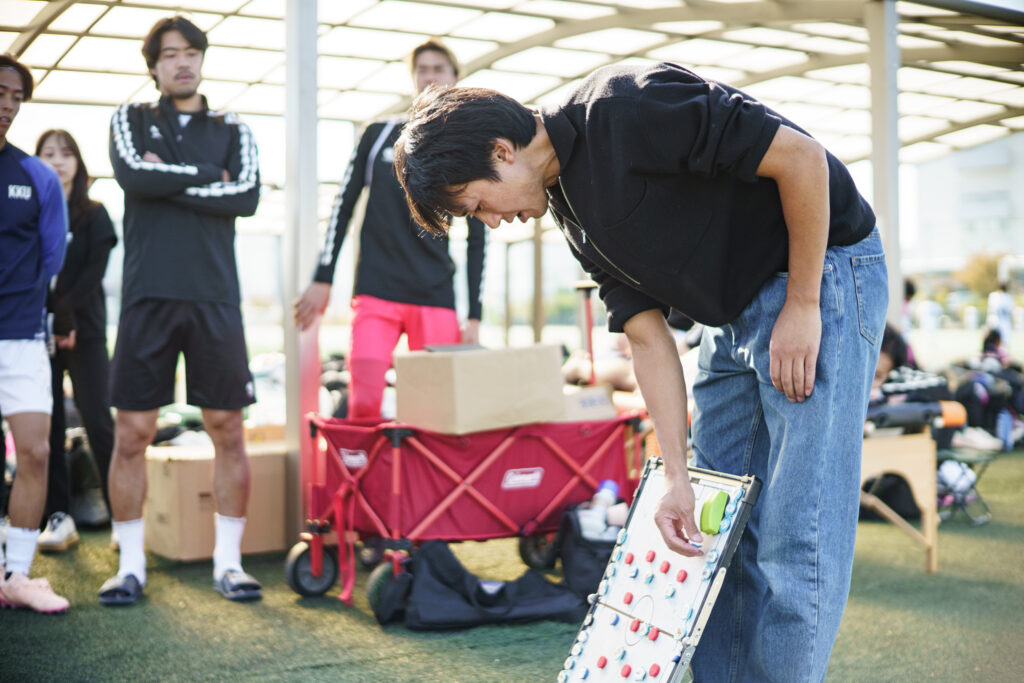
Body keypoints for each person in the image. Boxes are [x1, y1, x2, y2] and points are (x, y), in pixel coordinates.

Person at [393, 62, 889, 681]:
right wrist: (676, 478)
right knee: (718, 533)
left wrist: (803, 303)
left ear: (501, 151)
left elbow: (802, 158)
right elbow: (648, 339)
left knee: (798, 538)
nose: (492, 221)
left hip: (822, 275)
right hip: (731, 318)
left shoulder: (626, 106)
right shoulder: (570, 214)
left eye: (478, 205)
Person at [101, 16, 261, 606]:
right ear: (154, 66)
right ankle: (130, 567)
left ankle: (229, 564)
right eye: (170, 54)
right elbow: (131, 174)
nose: (182, 61)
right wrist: (206, 177)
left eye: (191, 51)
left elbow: (246, 194)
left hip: (215, 297)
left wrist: (165, 181)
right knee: (133, 432)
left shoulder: (233, 128)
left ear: (202, 59)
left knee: (228, 429)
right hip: (148, 295)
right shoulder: (129, 118)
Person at [293, 39, 485, 419]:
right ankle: (363, 461)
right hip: (376, 290)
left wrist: (474, 314)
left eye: (438, 69)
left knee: (435, 410)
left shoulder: (467, 147)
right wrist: (323, 277)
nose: (430, 77)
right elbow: (343, 206)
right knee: (364, 402)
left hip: (435, 295)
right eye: (422, 69)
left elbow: (478, 235)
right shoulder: (378, 134)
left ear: (455, 77)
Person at [0, 54, 71, 613]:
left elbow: (52, 255)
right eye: (0, 93)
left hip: (23, 336)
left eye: (16, 98)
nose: (7, 105)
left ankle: (16, 577)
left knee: (37, 451)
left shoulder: (37, 176)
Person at [33, 129, 118, 552]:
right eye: (48, 153)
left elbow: (93, 273)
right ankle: (59, 516)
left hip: (86, 331)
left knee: (99, 421)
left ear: (78, 163)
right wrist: (51, 319)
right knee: (47, 426)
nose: (58, 161)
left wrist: (65, 316)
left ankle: (122, 515)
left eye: (66, 153)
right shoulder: (30, 213)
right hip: (38, 334)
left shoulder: (95, 214)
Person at [986, 281, 1013, 349]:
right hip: (1002, 322)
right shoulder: (1008, 297)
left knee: (994, 341)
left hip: (996, 321)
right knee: (1003, 342)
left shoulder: (993, 296)